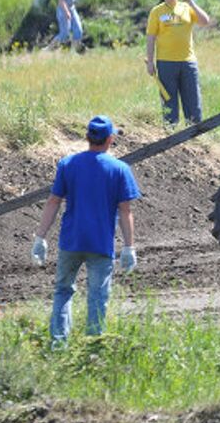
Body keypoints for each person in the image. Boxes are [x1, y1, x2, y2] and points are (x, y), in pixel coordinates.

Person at [31, 115, 140, 345]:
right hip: (100, 244)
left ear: (87, 137)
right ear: (110, 139)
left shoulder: (68, 164)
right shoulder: (119, 169)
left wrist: (40, 237)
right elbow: (125, 211)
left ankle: (58, 344)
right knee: (98, 296)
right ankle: (92, 347)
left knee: (63, 291)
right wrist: (129, 246)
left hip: (71, 241)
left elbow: (53, 202)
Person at [146, 0, 211, 126]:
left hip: (188, 62)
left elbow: (205, 21)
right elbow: (150, 38)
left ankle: (195, 132)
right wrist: (150, 62)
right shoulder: (156, 12)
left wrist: (191, 2)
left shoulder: (187, 8)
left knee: (193, 101)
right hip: (166, 62)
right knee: (169, 102)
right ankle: (170, 133)